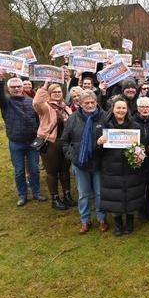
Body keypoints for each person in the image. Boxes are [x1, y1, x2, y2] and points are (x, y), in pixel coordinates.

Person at [0, 70, 47, 207]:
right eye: (13, 87)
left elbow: (38, 120)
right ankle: (22, 195)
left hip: (32, 142)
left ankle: (36, 192)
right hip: (16, 143)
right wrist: (0, 78)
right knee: (19, 171)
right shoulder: (6, 103)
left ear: (23, 88)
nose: (16, 89)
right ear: (9, 89)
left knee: (34, 169)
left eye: (19, 86)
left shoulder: (31, 102)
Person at [60, 90, 109, 234]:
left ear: (96, 102)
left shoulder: (104, 117)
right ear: (80, 104)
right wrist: (71, 155)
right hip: (79, 163)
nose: (90, 105)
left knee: (100, 193)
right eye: (86, 103)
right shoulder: (73, 118)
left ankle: (102, 218)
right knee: (83, 194)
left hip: (98, 162)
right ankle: (85, 220)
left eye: (92, 102)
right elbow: (64, 140)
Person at [96, 97, 146, 236]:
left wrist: (139, 154)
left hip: (131, 168)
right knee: (114, 196)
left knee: (131, 194)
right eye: (118, 108)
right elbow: (97, 151)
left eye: (124, 108)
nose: (121, 110)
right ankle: (118, 223)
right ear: (113, 109)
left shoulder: (135, 126)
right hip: (111, 168)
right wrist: (99, 142)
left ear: (127, 110)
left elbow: (143, 146)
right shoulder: (104, 125)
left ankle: (130, 221)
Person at [32, 79, 75, 211]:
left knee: (64, 170)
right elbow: (37, 102)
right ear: (49, 94)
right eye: (54, 92)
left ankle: (67, 194)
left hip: (64, 143)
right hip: (51, 142)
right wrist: (45, 86)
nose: (57, 94)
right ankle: (55, 198)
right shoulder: (46, 107)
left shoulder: (66, 107)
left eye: (59, 92)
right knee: (52, 171)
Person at [132, 96, 149, 223]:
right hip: (138, 160)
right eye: (142, 107)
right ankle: (141, 210)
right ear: (138, 108)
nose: (145, 109)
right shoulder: (132, 122)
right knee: (139, 187)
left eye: (147, 106)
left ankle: (148, 208)